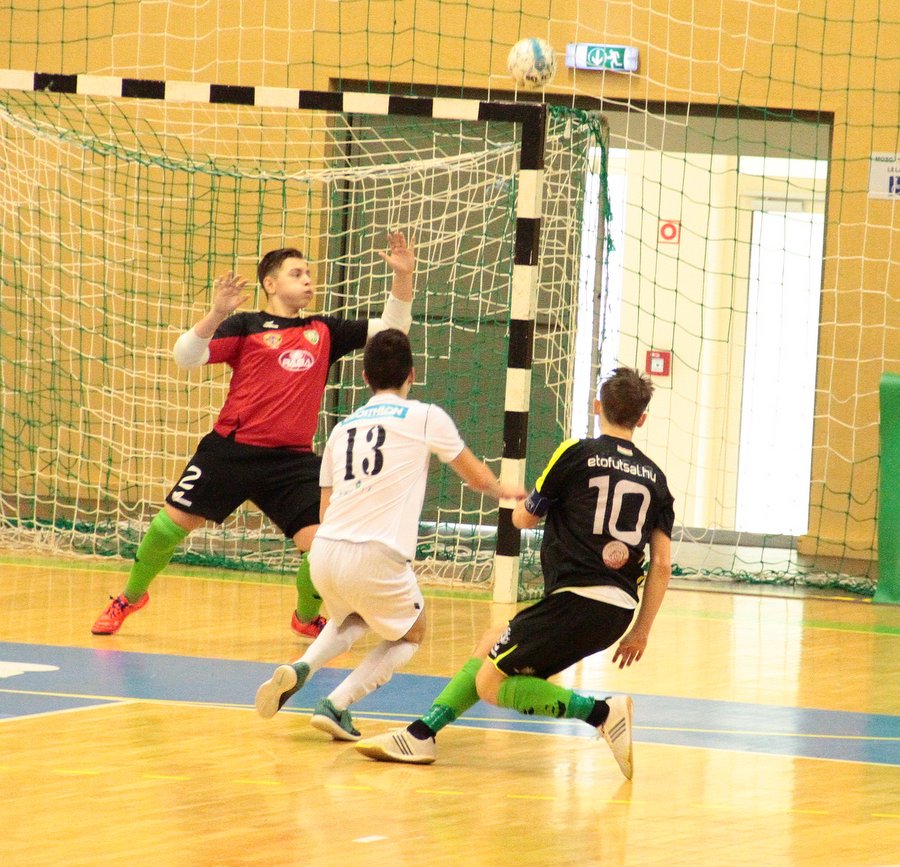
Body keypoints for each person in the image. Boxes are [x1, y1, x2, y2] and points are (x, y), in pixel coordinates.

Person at [354, 366, 674, 779]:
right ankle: (421, 734)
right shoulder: (657, 480)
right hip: (617, 611)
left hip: (575, 601)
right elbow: (662, 565)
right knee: (491, 642)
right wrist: (641, 631)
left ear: (598, 407)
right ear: (642, 418)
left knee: (491, 685)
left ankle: (601, 712)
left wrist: (533, 504)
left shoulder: (575, 453)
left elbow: (524, 520)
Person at [91, 233, 416, 638]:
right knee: (166, 528)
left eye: (310, 274)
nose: (308, 281)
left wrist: (404, 277)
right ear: (271, 284)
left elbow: (393, 328)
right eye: (297, 274)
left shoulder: (324, 331)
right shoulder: (245, 326)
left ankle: (304, 616)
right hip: (230, 452)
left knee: (325, 545)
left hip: (292, 461)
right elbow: (185, 357)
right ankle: (130, 596)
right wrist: (214, 313)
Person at [254, 328, 527, 741]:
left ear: (364, 378)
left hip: (325, 552)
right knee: (412, 632)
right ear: (412, 375)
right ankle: (336, 704)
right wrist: (504, 489)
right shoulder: (425, 416)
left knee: (354, 615)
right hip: (376, 551)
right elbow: (473, 476)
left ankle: (301, 668)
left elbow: (325, 508)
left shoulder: (341, 428)